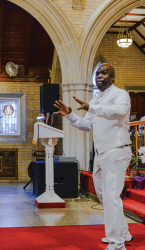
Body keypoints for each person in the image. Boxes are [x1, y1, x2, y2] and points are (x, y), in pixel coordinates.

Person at [54, 63, 132, 250]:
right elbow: (87, 124)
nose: (99, 76)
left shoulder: (120, 94)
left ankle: (117, 243)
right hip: (101, 153)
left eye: (104, 73)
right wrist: (70, 115)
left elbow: (120, 112)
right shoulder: (95, 99)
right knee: (104, 196)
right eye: (97, 73)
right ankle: (124, 233)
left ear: (113, 77)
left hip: (117, 149)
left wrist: (93, 108)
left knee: (112, 196)